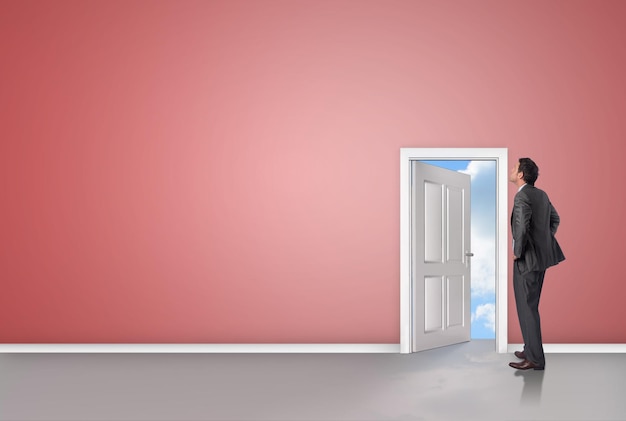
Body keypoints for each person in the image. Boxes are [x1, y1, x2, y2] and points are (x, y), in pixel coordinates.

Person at [509, 158, 565, 370]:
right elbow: (555, 219)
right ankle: (529, 348)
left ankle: (535, 359)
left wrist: (518, 251)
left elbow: (521, 227)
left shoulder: (522, 196)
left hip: (526, 261)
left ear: (521, 174)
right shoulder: (541, 195)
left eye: (514, 167)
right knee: (529, 306)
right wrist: (542, 242)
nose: (512, 170)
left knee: (527, 308)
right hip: (540, 260)